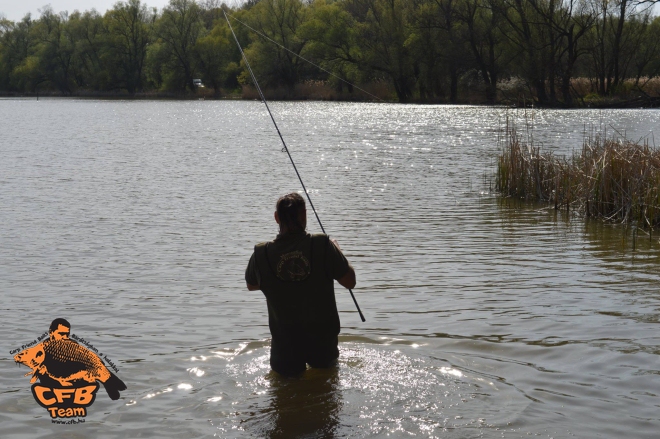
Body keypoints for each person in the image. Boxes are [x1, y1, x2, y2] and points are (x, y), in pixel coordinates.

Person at [245, 193, 356, 376]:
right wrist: (337, 249)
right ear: (304, 215)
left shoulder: (261, 253)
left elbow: (252, 285)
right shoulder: (323, 245)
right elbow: (350, 282)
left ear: (276, 217)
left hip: (284, 347)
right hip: (322, 345)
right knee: (325, 394)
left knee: (284, 399)